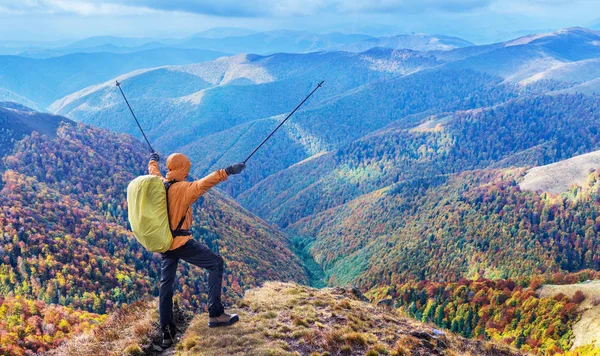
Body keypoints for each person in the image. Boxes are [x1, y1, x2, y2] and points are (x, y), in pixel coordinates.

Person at [148, 152, 246, 348]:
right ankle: (216, 314)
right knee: (215, 263)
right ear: (183, 168)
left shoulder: (159, 182)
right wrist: (228, 171)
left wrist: (152, 160)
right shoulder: (184, 189)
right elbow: (205, 183)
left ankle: (167, 334)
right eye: (187, 167)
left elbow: (153, 171)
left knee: (165, 288)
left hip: (165, 243)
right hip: (182, 243)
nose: (188, 170)